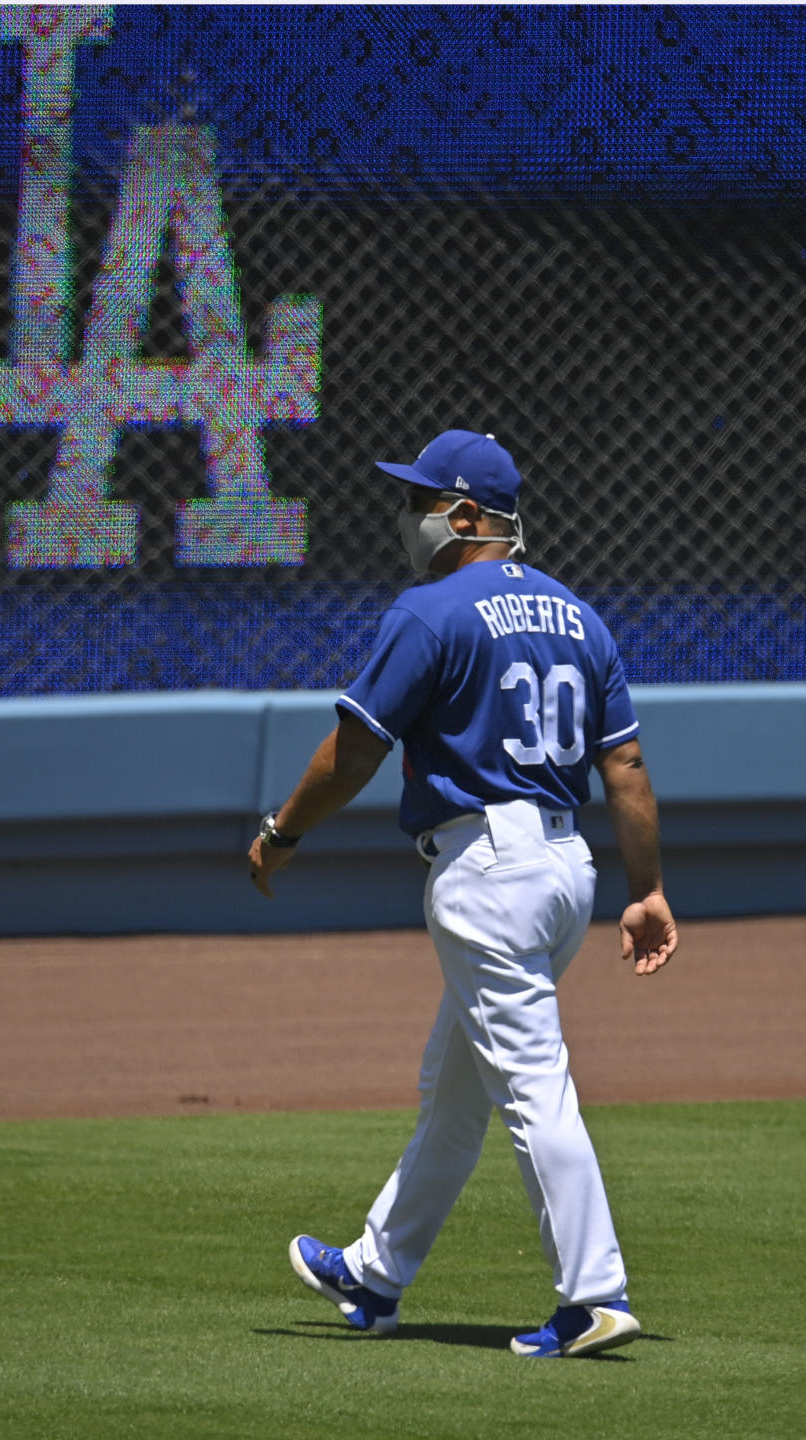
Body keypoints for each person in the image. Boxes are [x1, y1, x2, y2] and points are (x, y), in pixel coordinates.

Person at [247, 429, 678, 1359]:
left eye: (418, 501)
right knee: (455, 1090)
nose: (407, 518)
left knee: (531, 1084)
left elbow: (356, 748)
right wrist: (647, 890)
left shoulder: (432, 609)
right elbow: (628, 766)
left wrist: (283, 832)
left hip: (487, 869)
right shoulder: (580, 616)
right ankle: (374, 1270)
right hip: (566, 872)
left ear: (467, 514)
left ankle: (594, 1293)